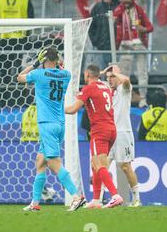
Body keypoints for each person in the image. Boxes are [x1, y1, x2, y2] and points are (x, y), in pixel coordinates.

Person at [17, 47, 86, 212]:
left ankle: (76, 196)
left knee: (54, 163)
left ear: (43, 59)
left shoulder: (38, 74)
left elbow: (19, 77)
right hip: (60, 123)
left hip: (47, 124)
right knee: (40, 162)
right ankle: (35, 202)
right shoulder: (66, 75)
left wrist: (34, 64)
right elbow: (60, 68)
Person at [65, 64, 124, 209]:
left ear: (87, 74)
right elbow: (93, 100)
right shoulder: (105, 87)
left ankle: (115, 195)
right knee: (94, 164)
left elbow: (73, 110)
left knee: (99, 165)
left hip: (99, 130)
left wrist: (55, 109)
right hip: (111, 129)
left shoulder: (89, 89)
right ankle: (97, 200)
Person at [104, 64, 141, 207]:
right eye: (108, 78)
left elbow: (126, 80)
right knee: (102, 166)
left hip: (122, 133)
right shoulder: (107, 91)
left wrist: (116, 72)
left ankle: (136, 198)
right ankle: (99, 199)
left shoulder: (124, 90)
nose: (110, 80)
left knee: (125, 166)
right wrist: (105, 72)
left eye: (112, 77)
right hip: (109, 133)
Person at [114, 0, 154, 108]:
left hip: (139, 44)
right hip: (125, 44)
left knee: (142, 73)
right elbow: (114, 17)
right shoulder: (120, 9)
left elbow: (150, 27)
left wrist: (143, 29)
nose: (126, 1)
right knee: (124, 74)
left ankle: (143, 98)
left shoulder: (139, 10)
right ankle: (124, 98)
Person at [88, 0, 120, 68]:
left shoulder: (119, 7)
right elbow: (91, 26)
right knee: (102, 69)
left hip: (118, 46)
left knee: (116, 70)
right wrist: (95, 40)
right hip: (101, 46)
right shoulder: (97, 7)